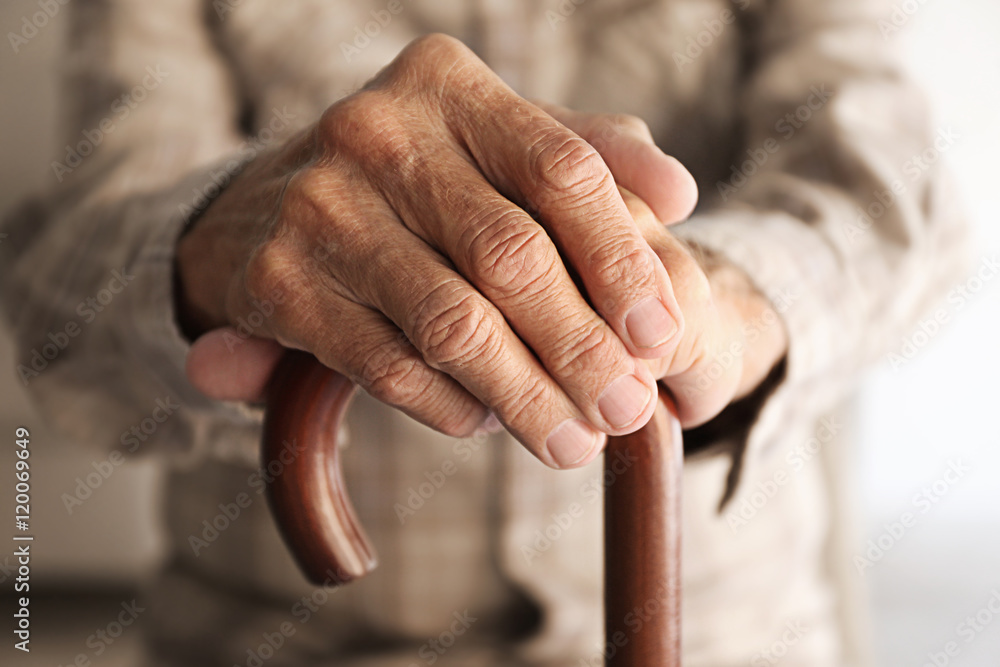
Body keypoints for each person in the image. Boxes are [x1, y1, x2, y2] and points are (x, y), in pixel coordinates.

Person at [0, 0, 968, 665]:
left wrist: (706, 296)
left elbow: (891, 196)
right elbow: (57, 294)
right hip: (285, 644)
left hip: (724, 638)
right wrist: (220, 249)